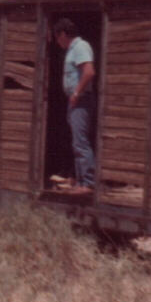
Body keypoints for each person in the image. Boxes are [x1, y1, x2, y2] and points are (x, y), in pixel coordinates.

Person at [52, 18, 96, 192]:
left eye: (57, 38)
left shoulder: (80, 47)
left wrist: (77, 92)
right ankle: (79, 181)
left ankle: (88, 183)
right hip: (75, 100)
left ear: (63, 34)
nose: (57, 42)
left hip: (81, 100)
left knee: (81, 142)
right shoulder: (73, 50)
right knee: (77, 142)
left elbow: (89, 72)